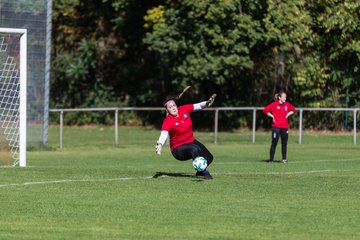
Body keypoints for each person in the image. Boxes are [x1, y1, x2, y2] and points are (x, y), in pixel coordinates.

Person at [155, 94, 216, 179]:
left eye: (174, 105)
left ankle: (200, 172)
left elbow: (198, 105)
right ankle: (205, 173)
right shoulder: (168, 120)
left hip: (191, 141)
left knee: (209, 158)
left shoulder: (183, 109)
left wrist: (207, 103)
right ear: (167, 110)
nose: (173, 108)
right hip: (178, 149)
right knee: (194, 149)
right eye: (170, 107)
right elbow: (164, 133)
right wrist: (160, 144)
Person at [263, 91, 295, 163]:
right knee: (274, 142)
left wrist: (287, 115)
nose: (285, 98)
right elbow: (265, 110)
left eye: (285, 97)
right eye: (284, 97)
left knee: (284, 143)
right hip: (276, 127)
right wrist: (272, 116)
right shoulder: (274, 105)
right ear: (279, 98)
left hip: (284, 127)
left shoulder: (287, 105)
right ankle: (271, 160)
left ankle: (284, 159)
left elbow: (293, 109)